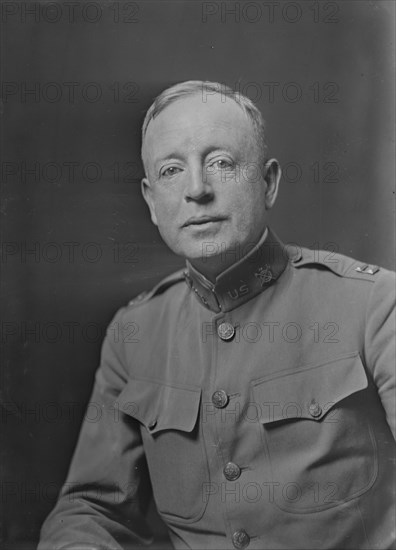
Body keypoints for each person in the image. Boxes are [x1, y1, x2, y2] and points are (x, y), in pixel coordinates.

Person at [38, 81, 395, 550]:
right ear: (150, 201)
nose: (197, 190)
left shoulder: (373, 304)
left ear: (267, 182)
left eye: (221, 163)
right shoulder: (134, 333)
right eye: (171, 170)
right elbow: (92, 507)